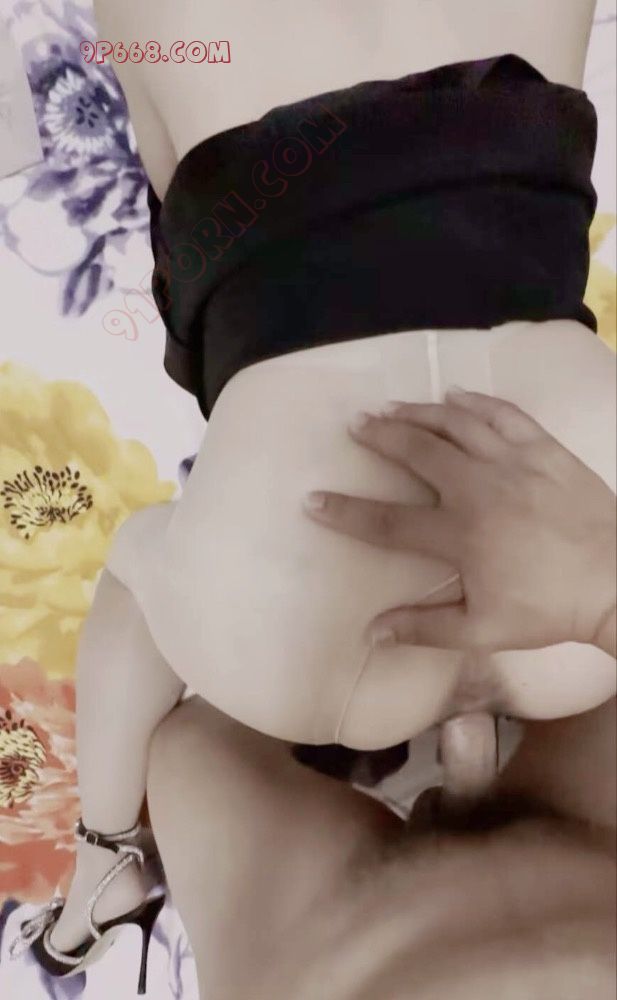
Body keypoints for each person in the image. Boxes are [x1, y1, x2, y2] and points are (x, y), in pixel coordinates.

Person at [10, 0, 616, 987]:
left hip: (575, 575)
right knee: (145, 577)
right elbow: (201, 748)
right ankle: (102, 860)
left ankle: (106, 857)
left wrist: (601, 590)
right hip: (340, 630)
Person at [144, 391, 616, 1000]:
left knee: (194, 759)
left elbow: (189, 734)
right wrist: (601, 596)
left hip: (351, 931)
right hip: (591, 856)